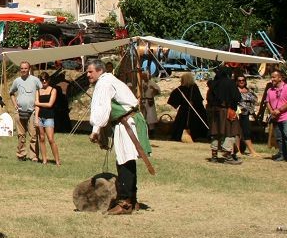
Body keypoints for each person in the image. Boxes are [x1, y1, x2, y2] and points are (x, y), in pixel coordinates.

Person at [86, 59, 151, 215]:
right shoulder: (108, 80)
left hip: (127, 123)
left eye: (90, 71)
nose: (88, 74)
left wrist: (96, 130)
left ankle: (125, 202)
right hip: (127, 122)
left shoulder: (104, 83)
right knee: (127, 161)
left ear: (100, 71)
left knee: (124, 162)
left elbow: (102, 108)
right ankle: (132, 199)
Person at [206, 66, 242, 164]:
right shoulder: (230, 83)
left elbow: (209, 98)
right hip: (227, 111)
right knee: (230, 132)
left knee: (215, 133)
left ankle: (214, 156)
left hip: (215, 112)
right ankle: (228, 157)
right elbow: (237, 97)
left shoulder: (213, 84)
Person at [8, 61, 42, 161]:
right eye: (22, 68)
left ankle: (34, 156)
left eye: (25, 68)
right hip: (19, 111)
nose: (23, 70)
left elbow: (41, 91)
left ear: (29, 69)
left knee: (33, 135)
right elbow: (11, 93)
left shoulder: (35, 80)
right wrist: (15, 104)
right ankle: (21, 155)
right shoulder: (17, 81)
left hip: (32, 111)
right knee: (21, 135)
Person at [266, 68, 287, 163]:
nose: (272, 79)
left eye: (274, 77)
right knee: (279, 137)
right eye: (271, 77)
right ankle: (282, 154)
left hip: (286, 116)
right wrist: (271, 111)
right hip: (275, 117)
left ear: (280, 78)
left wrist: (279, 110)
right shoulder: (270, 90)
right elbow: (267, 102)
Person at [167, 72, 209, 142]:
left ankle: (181, 135)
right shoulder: (193, 88)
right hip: (196, 110)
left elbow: (173, 101)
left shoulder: (183, 89)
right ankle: (196, 136)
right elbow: (199, 99)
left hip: (186, 110)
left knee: (182, 123)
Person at [35, 72, 60, 166]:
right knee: (41, 138)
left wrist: (37, 103)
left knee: (50, 139)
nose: (44, 81)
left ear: (49, 80)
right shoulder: (38, 91)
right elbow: (36, 107)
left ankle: (57, 161)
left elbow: (50, 104)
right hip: (40, 117)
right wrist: (36, 118)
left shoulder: (53, 90)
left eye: (45, 79)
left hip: (49, 117)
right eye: (42, 79)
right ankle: (44, 160)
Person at [235, 75, 258, 157]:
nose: (241, 81)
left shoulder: (249, 91)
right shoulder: (234, 90)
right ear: (236, 81)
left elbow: (255, 100)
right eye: (239, 80)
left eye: (243, 80)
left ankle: (252, 151)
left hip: (247, 114)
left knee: (246, 131)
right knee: (237, 132)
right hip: (237, 114)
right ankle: (238, 151)